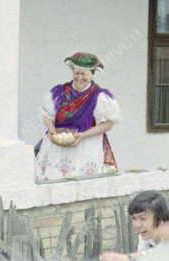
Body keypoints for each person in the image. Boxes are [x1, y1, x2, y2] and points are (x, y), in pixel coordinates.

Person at [35, 52, 120, 183]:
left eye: (84, 74)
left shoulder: (100, 96)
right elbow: (46, 114)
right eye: (76, 73)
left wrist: (82, 135)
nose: (79, 77)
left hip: (86, 146)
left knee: (84, 184)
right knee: (53, 182)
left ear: (92, 74)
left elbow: (108, 124)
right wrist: (52, 132)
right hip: (57, 146)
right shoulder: (59, 92)